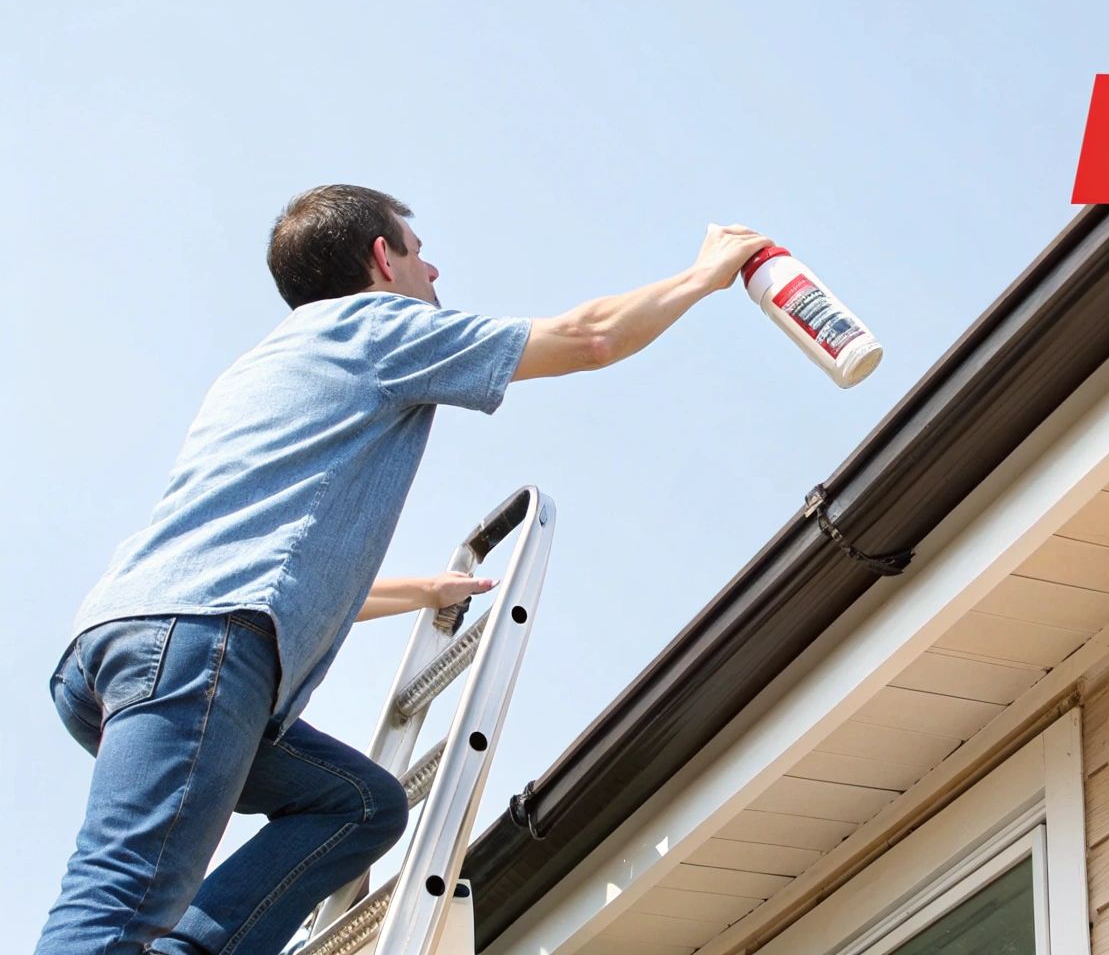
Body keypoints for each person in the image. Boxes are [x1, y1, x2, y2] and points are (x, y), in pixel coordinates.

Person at [36, 185, 772, 954]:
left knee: (359, 806)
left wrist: (424, 590)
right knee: (119, 897)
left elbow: (270, 576)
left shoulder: (272, 363)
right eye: (419, 253)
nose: (435, 271)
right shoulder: (377, 326)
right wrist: (706, 273)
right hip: (199, 650)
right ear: (383, 260)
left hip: (135, 650)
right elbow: (589, 339)